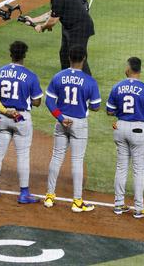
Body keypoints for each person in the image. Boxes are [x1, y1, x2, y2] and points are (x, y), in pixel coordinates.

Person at [44, 44, 101, 212]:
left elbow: (49, 101)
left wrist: (61, 118)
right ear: (84, 58)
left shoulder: (58, 76)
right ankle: (77, 202)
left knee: (56, 157)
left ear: (69, 58)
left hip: (61, 122)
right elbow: (97, 106)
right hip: (79, 124)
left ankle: (49, 196)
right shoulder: (89, 81)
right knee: (77, 161)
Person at [0, 40, 42, 203]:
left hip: (0, 117)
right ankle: (24, 194)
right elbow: (37, 101)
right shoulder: (30, 76)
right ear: (24, 55)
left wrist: (4, 110)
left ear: (11, 54)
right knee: (23, 156)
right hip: (21, 118)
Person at [106, 56, 144, 219]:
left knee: (121, 167)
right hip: (138, 130)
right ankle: (138, 208)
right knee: (138, 169)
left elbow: (109, 111)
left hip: (120, 127)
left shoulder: (117, 87)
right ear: (139, 70)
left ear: (128, 69)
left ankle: (118, 204)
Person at [32, 0, 95, 74]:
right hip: (71, 28)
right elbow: (51, 13)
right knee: (64, 53)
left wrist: (42, 27)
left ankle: (88, 82)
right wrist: (33, 20)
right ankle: (66, 77)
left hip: (80, 28)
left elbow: (53, 21)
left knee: (77, 55)